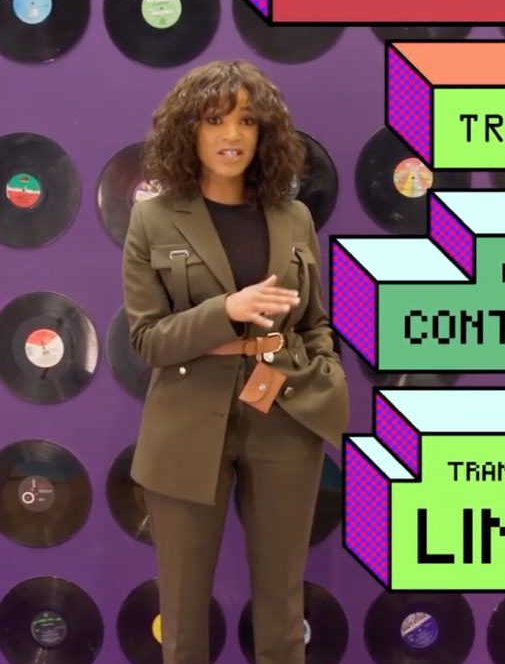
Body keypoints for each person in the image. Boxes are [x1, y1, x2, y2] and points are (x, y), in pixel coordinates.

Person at [121, 59, 350, 664]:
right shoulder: (152, 218)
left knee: (283, 608)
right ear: (188, 131)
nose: (232, 135)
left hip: (285, 415)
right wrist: (226, 310)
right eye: (215, 119)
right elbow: (147, 340)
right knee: (183, 616)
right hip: (187, 420)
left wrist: (325, 374)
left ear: (264, 133)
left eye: (247, 121)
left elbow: (315, 322)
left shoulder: (294, 217)